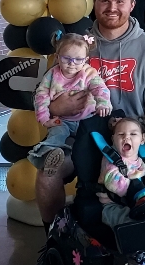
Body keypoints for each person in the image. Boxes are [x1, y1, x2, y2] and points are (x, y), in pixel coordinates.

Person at [34, 0, 145, 249]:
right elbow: (46, 89)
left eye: (120, 1)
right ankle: (54, 244)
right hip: (79, 135)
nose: (112, 8)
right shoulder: (75, 46)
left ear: (132, 5)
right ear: (94, 4)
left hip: (132, 141)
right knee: (46, 174)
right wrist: (54, 107)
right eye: (104, 1)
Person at [29, 32, 111, 176]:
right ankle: (48, 155)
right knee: (57, 133)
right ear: (57, 56)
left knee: (96, 137)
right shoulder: (52, 75)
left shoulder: (88, 73)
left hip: (87, 118)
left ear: (85, 59)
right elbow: (41, 96)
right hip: (63, 120)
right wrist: (45, 120)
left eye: (78, 59)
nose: (72, 64)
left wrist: (102, 103)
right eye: (66, 58)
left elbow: (100, 88)